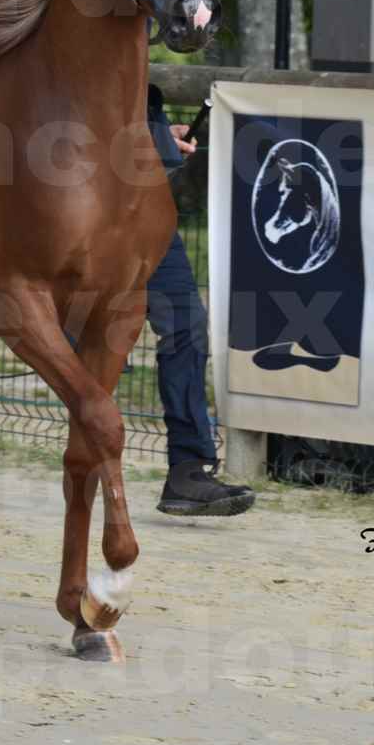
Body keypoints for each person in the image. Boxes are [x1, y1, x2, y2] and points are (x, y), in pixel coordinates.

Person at [146, 83, 255, 517]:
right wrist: (152, 140)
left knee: (187, 327)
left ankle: (187, 471)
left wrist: (156, 133)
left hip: (146, 215)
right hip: (88, 216)